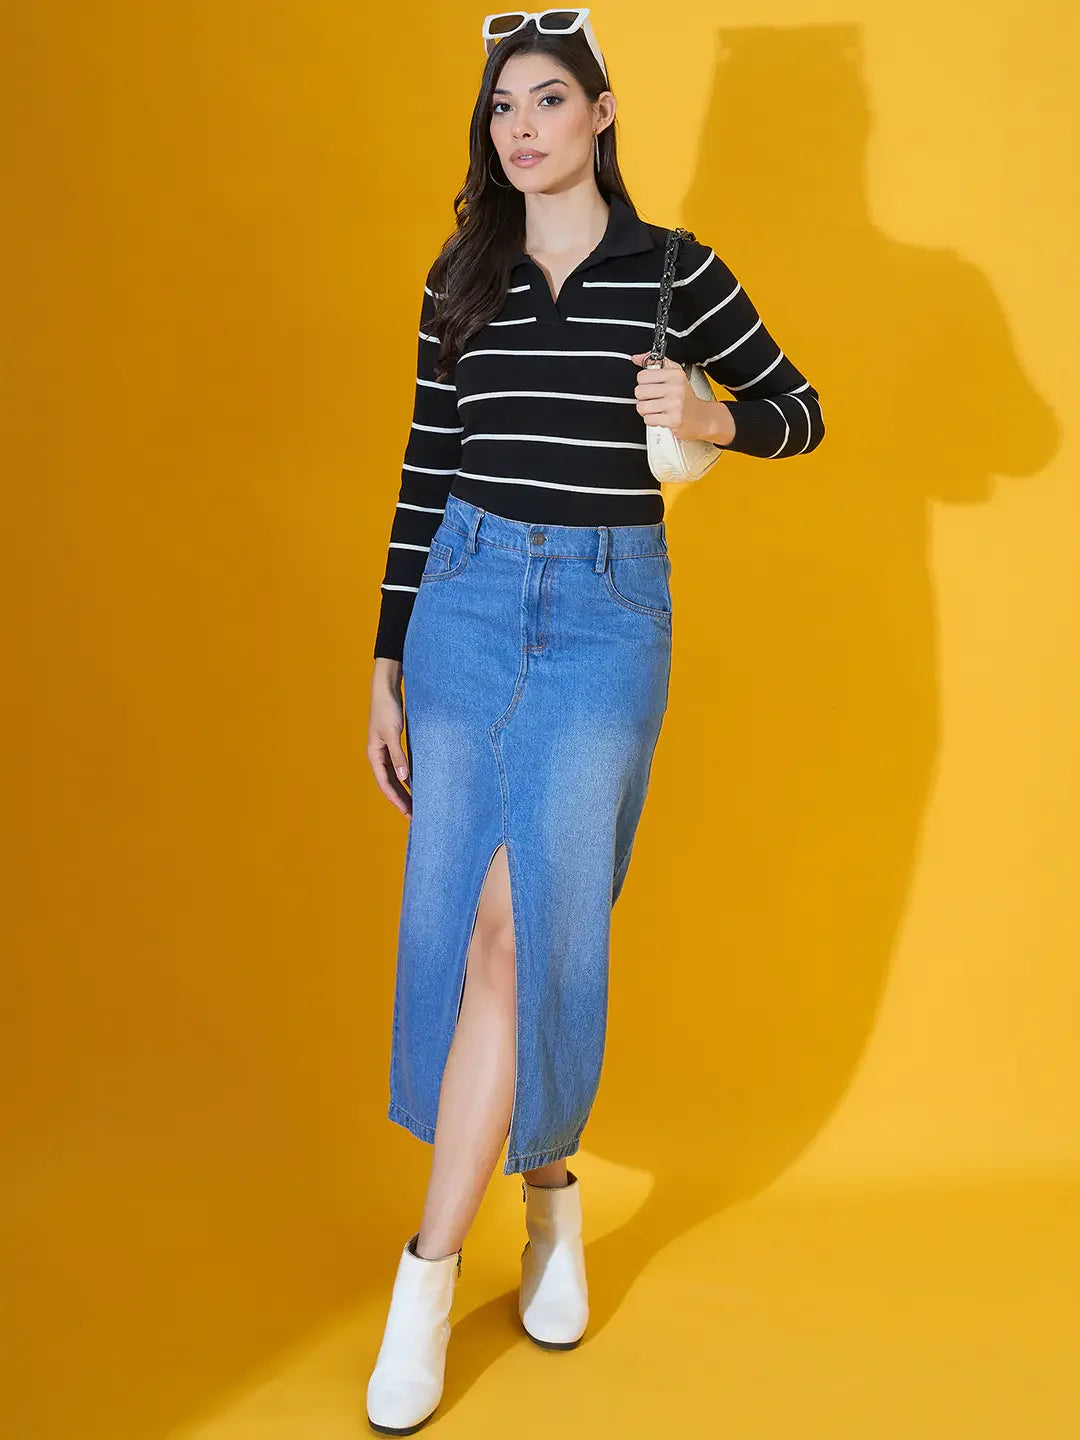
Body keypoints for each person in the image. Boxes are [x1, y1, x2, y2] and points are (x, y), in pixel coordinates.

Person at [364, 9, 825, 1432]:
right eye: (503, 107)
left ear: (603, 112)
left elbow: (802, 410)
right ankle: (547, 1200)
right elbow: (424, 465)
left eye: (549, 100)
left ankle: (426, 1275)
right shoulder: (461, 275)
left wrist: (714, 414)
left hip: (609, 615)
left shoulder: (676, 271)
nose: (521, 128)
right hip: (463, 604)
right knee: (476, 930)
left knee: (539, 920)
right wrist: (383, 659)